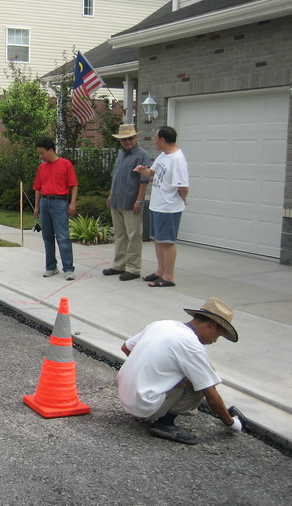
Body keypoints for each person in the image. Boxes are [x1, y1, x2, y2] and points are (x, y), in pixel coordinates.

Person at [117, 297, 245, 445]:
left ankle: (146, 408)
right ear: (211, 325)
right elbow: (211, 395)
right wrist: (232, 423)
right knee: (205, 375)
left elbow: (126, 348)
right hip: (146, 406)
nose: (215, 340)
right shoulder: (192, 346)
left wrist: (147, 372)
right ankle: (165, 423)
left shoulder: (162, 324)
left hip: (126, 398)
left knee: (195, 372)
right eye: (219, 334)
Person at [133, 125, 189, 287]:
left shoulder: (177, 159)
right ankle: (160, 271)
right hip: (158, 205)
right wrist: (142, 170)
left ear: (163, 139)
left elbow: (183, 187)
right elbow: (151, 173)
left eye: (156, 138)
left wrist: (183, 199)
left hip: (169, 207)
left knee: (167, 241)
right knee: (157, 240)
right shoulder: (163, 155)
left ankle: (168, 277)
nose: (155, 141)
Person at [103, 124, 151, 281]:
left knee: (134, 236)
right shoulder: (121, 154)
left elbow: (144, 181)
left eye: (130, 138)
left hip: (131, 203)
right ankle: (119, 265)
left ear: (136, 138)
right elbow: (115, 177)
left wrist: (139, 200)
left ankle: (133, 268)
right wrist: (111, 195)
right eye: (123, 139)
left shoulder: (141, 155)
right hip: (117, 201)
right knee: (120, 235)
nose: (127, 141)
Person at [33, 137, 78, 281]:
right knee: (47, 237)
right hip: (45, 203)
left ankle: (69, 268)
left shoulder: (65, 164)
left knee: (63, 236)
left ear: (51, 150)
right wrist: (36, 206)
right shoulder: (42, 168)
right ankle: (51, 266)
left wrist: (72, 203)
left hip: (60, 202)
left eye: (42, 153)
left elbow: (74, 185)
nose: (41, 157)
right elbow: (38, 188)